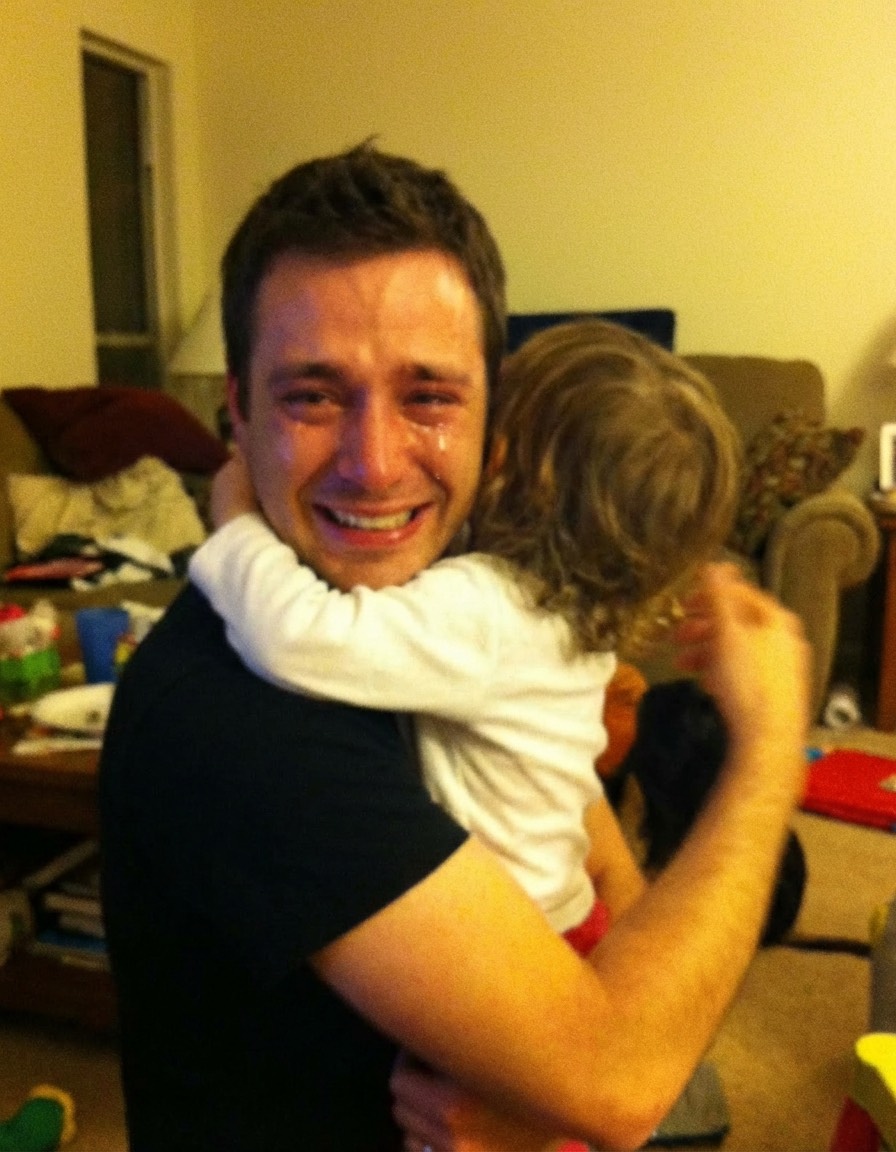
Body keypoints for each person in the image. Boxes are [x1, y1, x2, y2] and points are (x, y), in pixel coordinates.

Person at [99, 142, 810, 1152]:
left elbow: (599, 870)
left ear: (493, 420)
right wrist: (769, 747)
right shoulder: (239, 718)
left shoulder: (476, 588)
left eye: (428, 396)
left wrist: (543, 1082)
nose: (373, 464)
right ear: (238, 412)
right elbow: (620, 1079)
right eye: (312, 395)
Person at [188, 319, 741, 961]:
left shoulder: (488, 608)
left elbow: (299, 637)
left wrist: (236, 522)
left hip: (515, 940)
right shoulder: (576, 614)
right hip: (567, 911)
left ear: (496, 458)